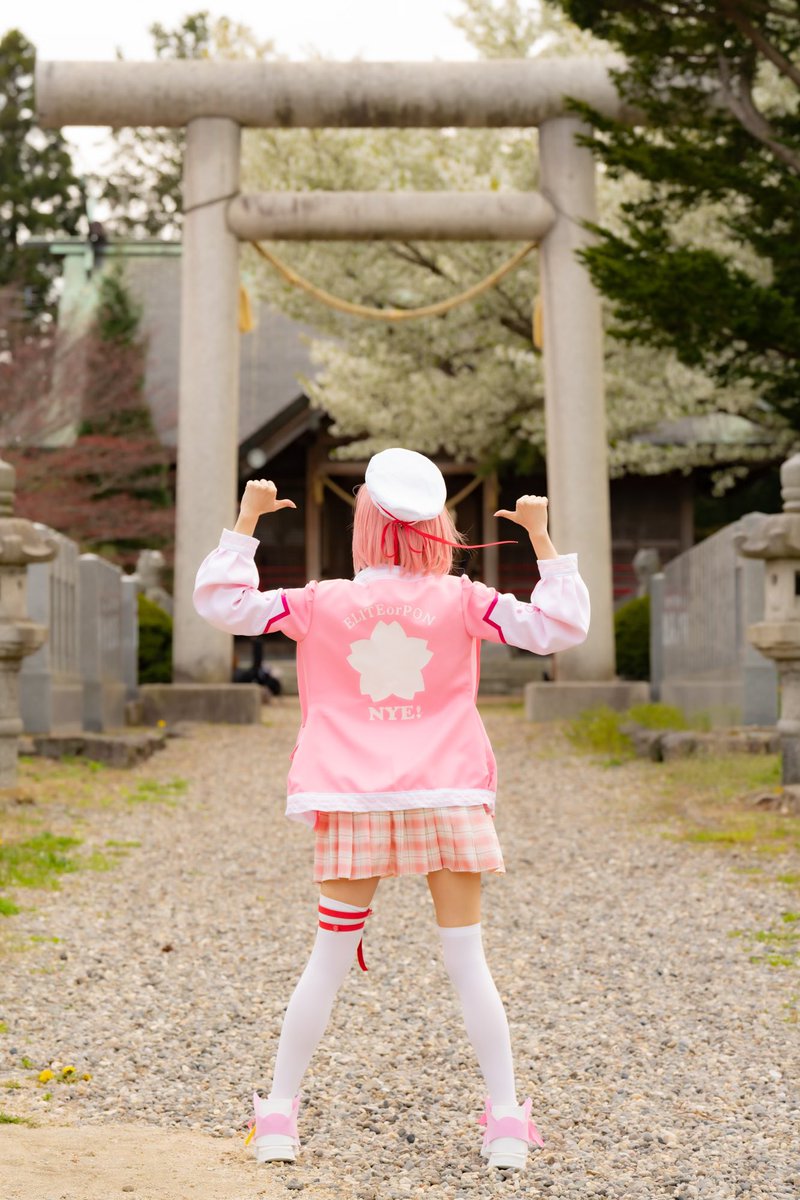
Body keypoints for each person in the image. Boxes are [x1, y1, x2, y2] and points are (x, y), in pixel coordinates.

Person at [193, 448, 590, 1173]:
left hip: (353, 798)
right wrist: (540, 538)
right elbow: (558, 628)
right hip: (447, 793)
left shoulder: (319, 602)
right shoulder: (464, 599)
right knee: (467, 959)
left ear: (365, 526)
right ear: (438, 527)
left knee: (328, 957)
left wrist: (246, 522)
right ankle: (506, 1121)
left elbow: (225, 607)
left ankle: (278, 1115)